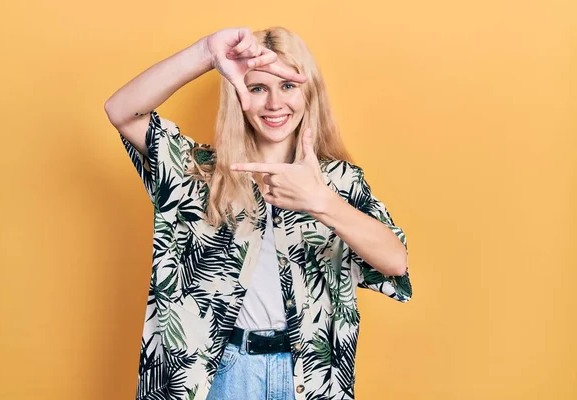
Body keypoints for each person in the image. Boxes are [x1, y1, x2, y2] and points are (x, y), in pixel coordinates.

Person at [104, 26, 412, 400]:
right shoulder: (199, 173)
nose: (274, 104)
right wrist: (205, 52)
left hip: (309, 378)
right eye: (257, 88)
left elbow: (395, 262)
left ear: (308, 93)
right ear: (239, 96)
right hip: (222, 373)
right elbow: (121, 111)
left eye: (287, 85)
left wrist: (322, 201)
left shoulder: (337, 181)